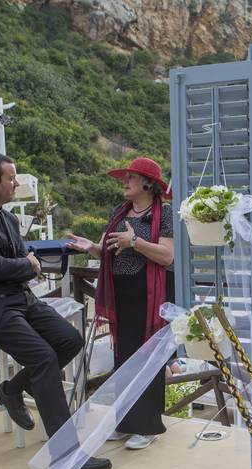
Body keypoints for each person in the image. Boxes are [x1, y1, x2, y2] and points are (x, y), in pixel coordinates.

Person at [0, 152, 111, 469]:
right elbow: (13, 263)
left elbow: (25, 267)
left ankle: (14, 388)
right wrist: (10, 267)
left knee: (70, 340)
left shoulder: (8, 219)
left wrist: (2, 269)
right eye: (11, 178)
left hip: (19, 299)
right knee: (44, 358)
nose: (16, 183)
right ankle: (66, 453)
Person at [67, 157, 174, 450]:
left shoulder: (163, 213)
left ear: (147, 183)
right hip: (120, 292)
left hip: (148, 293)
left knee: (148, 357)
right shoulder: (119, 212)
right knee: (123, 357)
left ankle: (148, 424)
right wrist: (91, 247)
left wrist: (134, 242)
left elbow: (167, 257)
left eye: (131, 177)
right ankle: (125, 421)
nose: (124, 181)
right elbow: (108, 252)